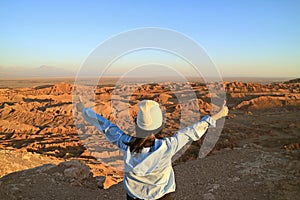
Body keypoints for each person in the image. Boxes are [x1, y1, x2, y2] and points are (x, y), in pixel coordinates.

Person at [76, 99, 228, 200]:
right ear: (159, 126)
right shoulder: (168, 146)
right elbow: (193, 131)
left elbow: (105, 125)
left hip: (133, 196)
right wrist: (219, 115)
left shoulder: (125, 143)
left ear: (137, 125)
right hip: (161, 197)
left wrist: (84, 110)